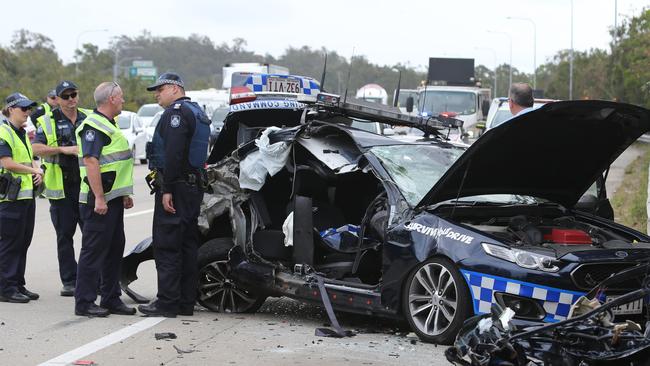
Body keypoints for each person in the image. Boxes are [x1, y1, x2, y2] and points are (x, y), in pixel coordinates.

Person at [138, 72, 210, 317]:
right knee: (188, 246)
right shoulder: (197, 111)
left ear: (174, 88)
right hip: (193, 188)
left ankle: (167, 302)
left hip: (176, 188)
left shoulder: (176, 113)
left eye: (160, 90)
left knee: (168, 245)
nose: (157, 95)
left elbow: (174, 153)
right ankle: (184, 302)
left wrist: (167, 188)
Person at [74, 82, 135, 317]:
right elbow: (91, 161)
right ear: (110, 99)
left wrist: (124, 194)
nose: (123, 99)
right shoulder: (94, 126)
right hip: (98, 201)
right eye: (120, 96)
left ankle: (111, 298)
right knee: (93, 251)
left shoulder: (110, 123)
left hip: (113, 199)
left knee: (113, 249)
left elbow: (116, 163)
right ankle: (84, 302)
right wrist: (99, 197)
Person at [32, 81, 89, 296]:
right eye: (65, 96)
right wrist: (63, 150)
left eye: (73, 94)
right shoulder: (47, 121)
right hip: (62, 189)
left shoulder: (88, 117)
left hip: (85, 187)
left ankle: (92, 277)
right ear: (57, 99)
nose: (71, 99)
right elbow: (36, 148)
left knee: (91, 235)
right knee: (65, 237)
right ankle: (70, 281)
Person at [0, 93, 44, 303]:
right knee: (10, 244)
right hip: (10, 199)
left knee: (23, 242)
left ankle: (17, 283)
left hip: (25, 197)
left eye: (29, 109)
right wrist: (32, 170)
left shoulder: (22, 133)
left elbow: (30, 159)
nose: (27, 113)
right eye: (23, 109)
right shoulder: (3, 132)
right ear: (10, 109)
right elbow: (7, 163)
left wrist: (36, 170)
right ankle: (6, 288)